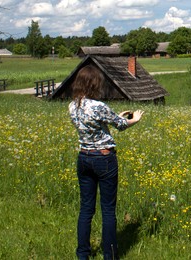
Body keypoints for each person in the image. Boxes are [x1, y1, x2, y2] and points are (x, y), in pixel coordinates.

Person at [68, 65, 144, 260]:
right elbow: (120, 126)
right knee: (108, 210)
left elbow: (95, 126)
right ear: (94, 84)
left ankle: (82, 254)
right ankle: (110, 255)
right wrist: (134, 119)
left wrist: (115, 116)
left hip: (84, 157)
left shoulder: (72, 106)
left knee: (86, 209)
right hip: (104, 159)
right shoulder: (98, 106)